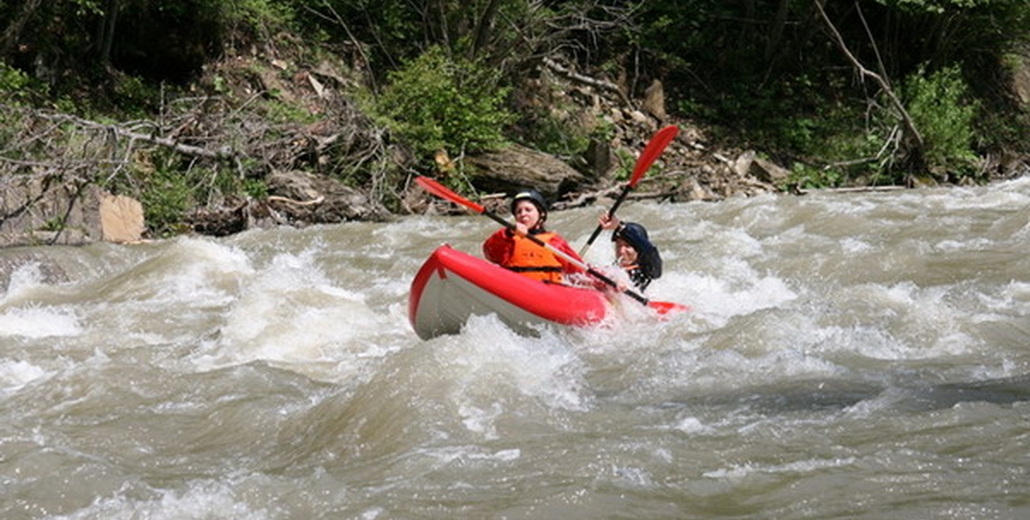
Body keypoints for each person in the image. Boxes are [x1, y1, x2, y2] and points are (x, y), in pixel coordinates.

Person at [483, 189, 584, 284]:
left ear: (541, 214)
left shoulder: (554, 241)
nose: (523, 214)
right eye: (519, 211)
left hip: (548, 293)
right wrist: (508, 233)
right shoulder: (508, 239)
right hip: (515, 289)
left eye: (528, 210)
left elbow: (579, 271)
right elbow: (489, 253)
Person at [599, 214, 662, 291]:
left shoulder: (649, 270)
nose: (621, 251)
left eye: (628, 246)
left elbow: (649, 250)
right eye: (619, 245)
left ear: (639, 249)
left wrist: (619, 227)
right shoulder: (613, 269)